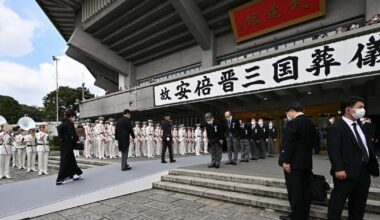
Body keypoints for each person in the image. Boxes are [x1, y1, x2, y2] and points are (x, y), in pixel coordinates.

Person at [327, 97, 379, 220]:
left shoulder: (361, 125)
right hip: (345, 172)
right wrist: (338, 168)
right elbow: (334, 150)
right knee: (337, 204)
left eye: (364, 107)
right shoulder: (336, 127)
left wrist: (372, 166)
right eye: (360, 107)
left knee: (359, 205)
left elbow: (366, 146)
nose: (363, 110)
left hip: (364, 171)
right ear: (348, 109)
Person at [278, 102, 315, 220]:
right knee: (305, 191)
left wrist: (286, 162)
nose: (287, 115)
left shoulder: (293, 123)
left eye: (287, 113)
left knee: (295, 192)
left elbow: (289, 144)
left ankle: (296, 216)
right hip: (306, 163)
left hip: (293, 164)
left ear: (292, 111)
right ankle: (304, 216)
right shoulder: (310, 123)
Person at [56, 109, 83, 185]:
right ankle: (60, 179)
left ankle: (75, 175)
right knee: (65, 162)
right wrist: (77, 140)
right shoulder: (69, 123)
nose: (74, 118)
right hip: (68, 145)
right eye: (74, 117)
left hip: (63, 145)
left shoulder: (62, 124)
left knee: (71, 160)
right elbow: (73, 134)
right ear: (71, 116)